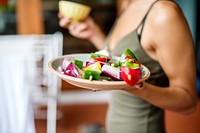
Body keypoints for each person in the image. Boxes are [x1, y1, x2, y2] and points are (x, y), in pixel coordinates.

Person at [58, 0, 198, 132]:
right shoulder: (128, 3)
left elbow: (188, 101)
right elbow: (118, 60)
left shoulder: (164, 14)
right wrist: (93, 33)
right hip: (114, 124)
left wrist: (134, 86)